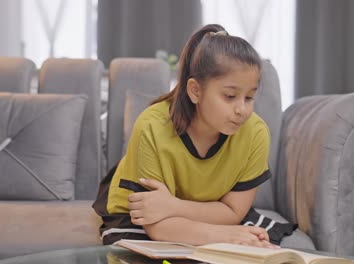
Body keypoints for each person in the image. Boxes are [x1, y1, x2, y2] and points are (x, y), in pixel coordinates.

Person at [93, 24, 296, 248]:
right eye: (230, 96)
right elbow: (156, 223)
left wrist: (173, 206)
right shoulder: (152, 127)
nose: (242, 110)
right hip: (143, 218)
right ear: (195, 91)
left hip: (197, 213)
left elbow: (234, 211)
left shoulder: (255, 132)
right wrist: (226, 235)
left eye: (249, 98)